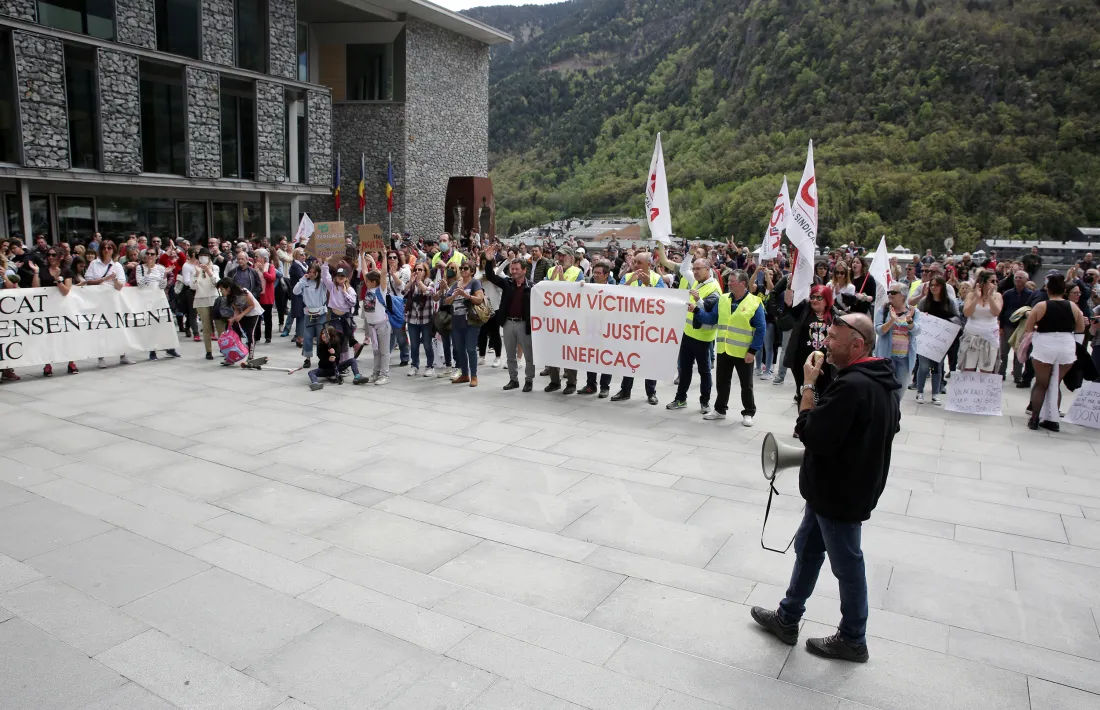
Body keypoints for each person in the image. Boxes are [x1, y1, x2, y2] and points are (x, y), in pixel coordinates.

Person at [751, 312, 899, 663]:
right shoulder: (880, 379)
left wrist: (806, 386)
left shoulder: (853, 386)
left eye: (833, 338)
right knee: (807, 548)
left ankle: (853, 638)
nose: (825, 343)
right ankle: (788, 617)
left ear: (857, 344)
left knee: (847, 565)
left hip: (839, 493)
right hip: (837, 489)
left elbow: (811, 431)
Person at [1024, 274, 1085, 431]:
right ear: (1064, 290)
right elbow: (1080, 329)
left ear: (1047, 288)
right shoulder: (1073, 307)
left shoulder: (1040, 306)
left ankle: (1034, 417)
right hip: (1066, 345)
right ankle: (1053, 420)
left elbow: (1028, 328)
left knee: (1041, 383)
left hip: (1045, 343)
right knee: (1055, 383)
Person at [704, 269, 765, 426]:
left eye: (732, 281)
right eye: (729, 281)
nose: (729, 283)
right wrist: (697, 310)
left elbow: (761, 329)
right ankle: (719, 409)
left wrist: (753, 350)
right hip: (724, 349)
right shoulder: (723, 299)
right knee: (722, 382)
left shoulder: (754, 302)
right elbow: (712, 318)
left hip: (743, 352)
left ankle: (749, 412)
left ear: (743, 284)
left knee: (747, 385)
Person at [667, 258, 721, 412]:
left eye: (698, 269)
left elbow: (710, 313)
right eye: (694, 268)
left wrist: (698, 300)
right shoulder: (698, 282)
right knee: (685, 369)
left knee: (704, 371)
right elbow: (684, 269)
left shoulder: (714, 289)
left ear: (708, 269)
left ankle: (705, 402)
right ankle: (680, 399)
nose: (695, 272)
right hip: (688, 334)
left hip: (703, 337)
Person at [611, 252, 665, 404]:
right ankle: (625, 390)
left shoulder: (656, 278)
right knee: (629, 359)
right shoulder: (627, 277)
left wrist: (649, 285)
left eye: (639, 263)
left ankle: (651, 392)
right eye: (634, 262)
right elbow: (615, 296)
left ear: (649, 264)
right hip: (630, 327)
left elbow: (663, 299)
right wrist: (629, 282)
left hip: (649, 327)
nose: (635, 266)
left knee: (650, 360)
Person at [482, 245, 534, 392]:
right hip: (508, 323)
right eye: (512, 269)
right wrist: (488, 260)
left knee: (529, 356)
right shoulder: (507, 283)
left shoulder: (531, 287)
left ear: (524, 270)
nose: (514, 271)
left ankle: (529, 380)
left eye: (517, 269)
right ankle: (513, 380)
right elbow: (491, 277)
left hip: (524, 324)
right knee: (510, 355)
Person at [784, 284, 837, 402]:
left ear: (827, 300)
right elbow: (788, 302)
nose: (814, 300)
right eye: (812, 297)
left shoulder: (835, 315)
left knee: (824, 395)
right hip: (802, 362)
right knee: (804, 393)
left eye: (819, 298)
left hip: (826, 364)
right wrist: (789, 285)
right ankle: (804, 417)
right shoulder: (804, 309)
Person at [84, 240, 132, 368]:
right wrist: (104, 280)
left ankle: (123, 354)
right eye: (104, 248)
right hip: (98, 300)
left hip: (113, 301)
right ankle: (101, 357)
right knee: (101, 328)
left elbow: (120, 285)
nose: (106, 250)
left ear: (113, 250)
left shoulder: (117, 266)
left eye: (109, 248)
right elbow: (88, 281)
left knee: (118, 326)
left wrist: (115, 280)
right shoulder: (94, 264)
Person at [545, 247, 585, 393]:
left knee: (570, 351)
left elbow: (576, 294)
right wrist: (552, 278)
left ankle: (571, 383)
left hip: (570, 319)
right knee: (551, 350)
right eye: (559, 256)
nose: (561, 258)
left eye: (564, 256)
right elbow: (544, 290)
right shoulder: (551, 270)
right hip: (553, 318)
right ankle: (554, 381)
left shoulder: (577, 272)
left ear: (571, 258)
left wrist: (561, 279)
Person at [913, 275, 957, 404]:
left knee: (938, 367)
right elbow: (916, 317)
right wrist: (922, 316)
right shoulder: (924, 302)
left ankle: (935, 393)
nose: (933, 288)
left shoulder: (949, 302)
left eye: (937, 285)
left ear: (942, 287)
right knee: (923, 366)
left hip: (941, 340)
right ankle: (920, 392)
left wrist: (946, 323)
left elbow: (957, 318)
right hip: (925, 339)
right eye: (931, 285)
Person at [37, 247, 79, 376]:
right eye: (48, 255)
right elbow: (36, 288)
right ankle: (47, 364)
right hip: (47, 308)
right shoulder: (43, 271)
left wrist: (57, 280)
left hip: (63, 308)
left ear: (60, 257)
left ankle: (71, 362)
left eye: (53, 255)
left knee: (66, 335)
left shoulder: (66, 271)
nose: (50, 257)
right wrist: (35, 273)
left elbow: (66, 291)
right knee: (48, 336)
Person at [442, 261, 485, 386]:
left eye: (466, 268)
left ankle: (474, 376)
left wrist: (465, 295)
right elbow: (446, 301)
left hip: (471, 321)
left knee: (471, 349)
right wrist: (454, 295)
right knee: (459, 349)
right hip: (457, 321)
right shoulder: (456, 284)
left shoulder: (475, 283)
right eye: (461, 268)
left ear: (472, 271)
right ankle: (465, 374)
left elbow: (479, 299)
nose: (463, 270)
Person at [577, 260, 616, 397]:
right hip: (591, 326)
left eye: (599, 273)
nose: (596, 275)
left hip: (607, 328)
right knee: (591, 356)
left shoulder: (614, 288)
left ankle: (605, 387)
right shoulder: (588, 286)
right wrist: (580, 287)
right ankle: (591, 385)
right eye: (595, 272)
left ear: (606, 275)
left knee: (606, 357)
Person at [874, 283, 918, 403]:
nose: (889, 295)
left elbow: (917, 331)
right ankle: (887, 417)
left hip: (905, 359)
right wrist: (892, 320)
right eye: (889, 292)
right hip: (886, 357)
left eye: (893, 293)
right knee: (885, 390)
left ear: (902, 296)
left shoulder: (913, 311)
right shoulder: (883, 310)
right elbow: (879, 331)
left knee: (899, 391)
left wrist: (909, 321)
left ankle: (894, 416)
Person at [959, 269, 1003, 374]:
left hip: (989, 337)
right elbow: (967, 313)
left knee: (986, 370)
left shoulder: (997, 296)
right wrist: (976, 299)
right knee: (968, 369)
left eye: (996, 281)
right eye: (992, 281)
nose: (995, 284)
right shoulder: (971, 295)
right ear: (983, 282)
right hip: (971, 336)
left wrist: (990, 296)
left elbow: (996, 312)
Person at [360, 255, 394, 386]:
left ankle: (384, 375)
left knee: (384, 352)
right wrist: (362, 256)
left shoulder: (381, 290)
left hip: (382, 326)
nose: (365, 281)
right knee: (376, 351)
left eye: (367, 280)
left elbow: (383, 273)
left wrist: (384, 255)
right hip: (372, 326)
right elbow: (364, 271)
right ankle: (376, 373)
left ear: (373, 282)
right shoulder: (370, 288)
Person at [216, 278, 262, 363]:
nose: (221, 292)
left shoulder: (243, 292)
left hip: (253, 313)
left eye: (222, 289)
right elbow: (236, 309)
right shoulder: (230, 297)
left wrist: (241, 315)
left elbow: (252, 305)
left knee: (250, 333)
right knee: (235, 333)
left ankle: (251, 357)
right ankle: (232, 357)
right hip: (242, 314)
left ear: (228, 288)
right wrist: (233, 318)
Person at [307, 325, 366, 390]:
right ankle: (315, 383)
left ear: (331, 336)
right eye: (322, 333)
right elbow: (321, 358)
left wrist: (334, 354)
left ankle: (357, 376)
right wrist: (328, 359)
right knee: (311, 372)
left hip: (336, 367)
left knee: (352, 360)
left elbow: (337, 357)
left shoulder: (336, 343)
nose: (324, 335)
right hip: (324, 369)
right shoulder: (320, 345)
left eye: (326, 334)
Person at [999, 270, 1033, 382]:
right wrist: (1001, 326)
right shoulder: (1008, 294)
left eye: (1020, 277)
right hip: (1008, 325)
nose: (1018, 279)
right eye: (1016, 277)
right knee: (1003, 351)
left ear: (1026, 280)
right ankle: (1001, 373)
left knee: (1019, 351)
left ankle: (1017, 375)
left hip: (1022, 327)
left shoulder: (1030, 294)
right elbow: (1002, 311)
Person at [404, 261, 437, 377]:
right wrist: (411, 283)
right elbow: (403, 291)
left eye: (420, 270)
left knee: (427, 344)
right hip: (412, 318)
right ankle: (414, 365)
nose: (417, 272)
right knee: (414, 345)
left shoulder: (430, 282)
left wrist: (419, 282)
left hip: (426, 319)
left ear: (425, 272)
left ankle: (430, 366)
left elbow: (428, 292)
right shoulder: (412, 283)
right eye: (416, 270)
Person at [293, 263, 327, 369]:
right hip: (308, 312)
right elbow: (295, 291)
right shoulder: (305, 282)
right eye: (310, 272)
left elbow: (328, 280)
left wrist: (324, 265)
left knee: (321, 336)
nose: (312, 274)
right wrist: (303, 279)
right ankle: (307, 358)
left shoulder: (322, 282)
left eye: (314, 272)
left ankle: (322, 357)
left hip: (320, 312)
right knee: (307, 336)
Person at [193, 248, 222, 360]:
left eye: (206, 255)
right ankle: (208, 351)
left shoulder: (215, 267)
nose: (203, 257)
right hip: (201, 300)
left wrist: (209, 271)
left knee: (220, 326)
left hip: (214, 298)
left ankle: (223, 347)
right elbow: (192, 286)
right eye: (201, 255)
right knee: (206, 327)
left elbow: (216, 283)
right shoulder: (195, 268)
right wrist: (196, 273)